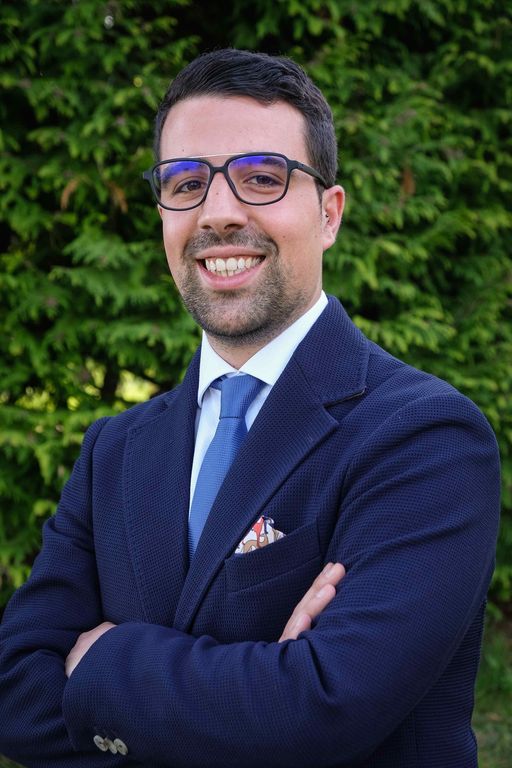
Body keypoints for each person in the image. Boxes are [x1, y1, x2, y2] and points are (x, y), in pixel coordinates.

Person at [0, 48, 500, 768]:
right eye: (186, 183)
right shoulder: (114, 449)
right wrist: (261, 691)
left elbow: (324, 709)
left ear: (328, 214)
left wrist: (102, 664)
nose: (219, 213)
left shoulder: (424, 437)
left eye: (263, 178)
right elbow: (16, 693)